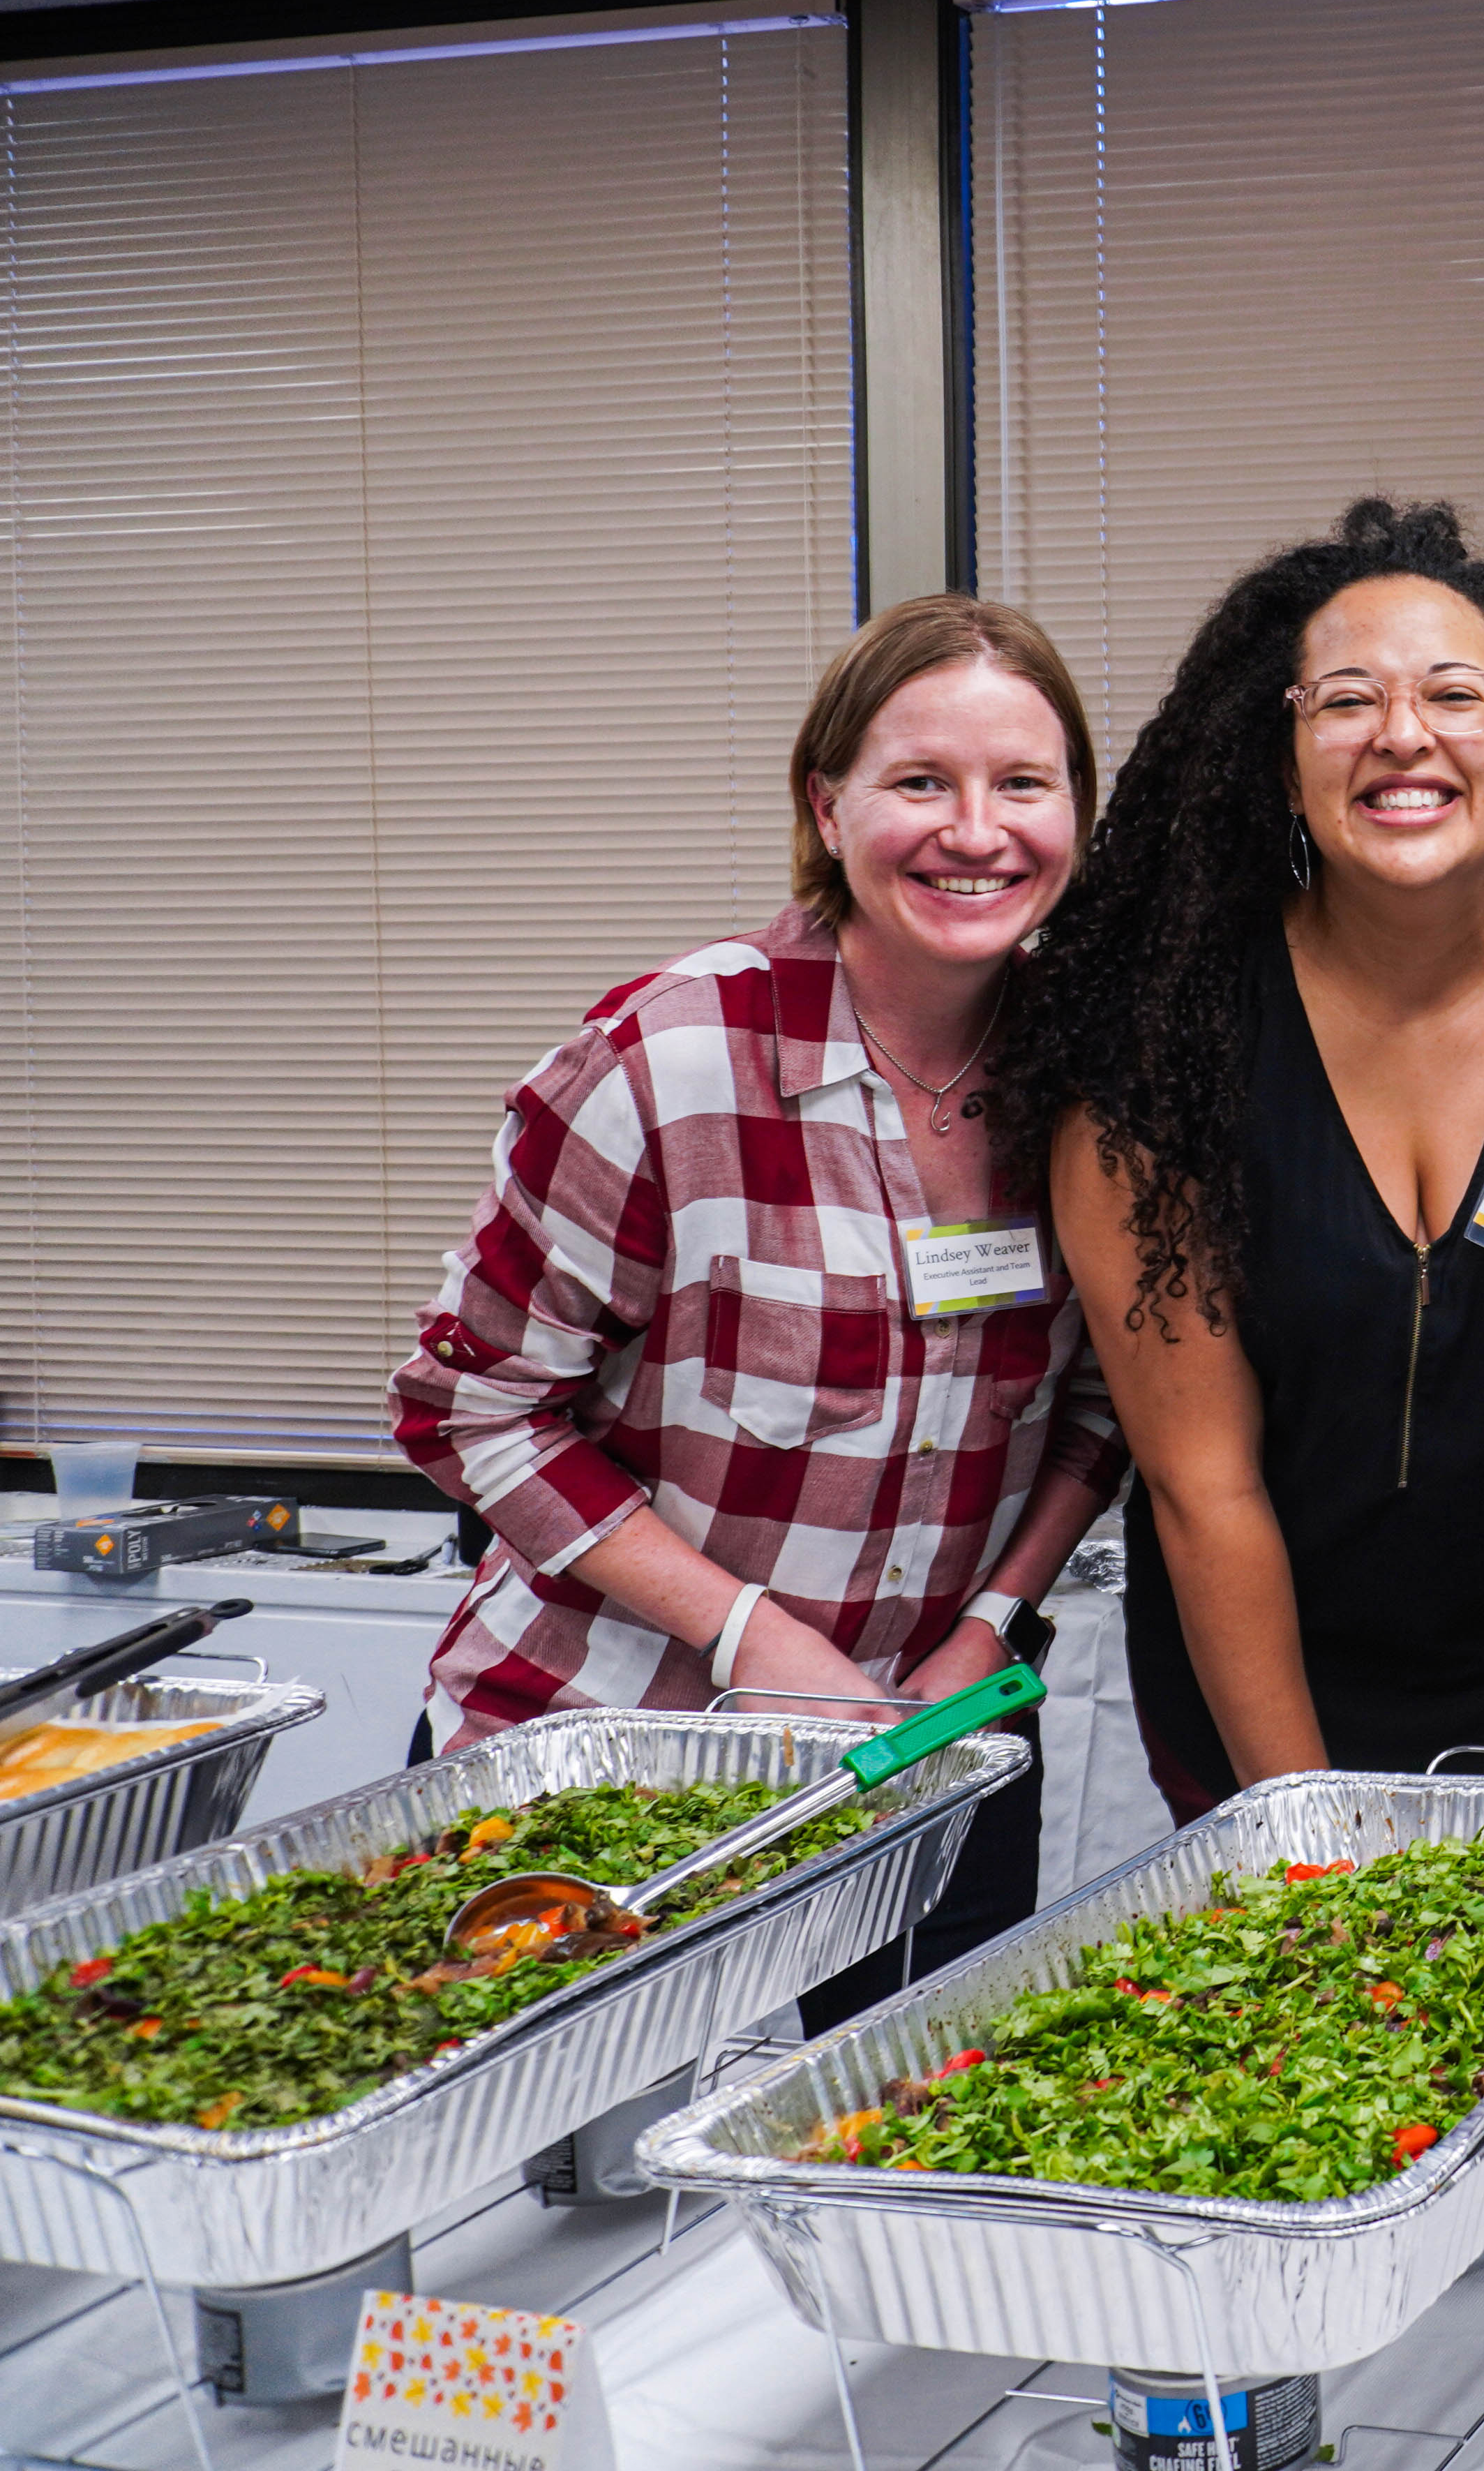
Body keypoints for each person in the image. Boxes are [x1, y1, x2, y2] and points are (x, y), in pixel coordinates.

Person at [392, 592, 1123, 2000]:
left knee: (899, 2182)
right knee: (560, 2201)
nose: (977, 831)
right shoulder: (665, 1061)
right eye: (921, 781)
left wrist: (991, 1622)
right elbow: (471, 1412)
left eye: (1024, 783)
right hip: (609, 1756)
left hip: (928, 1757)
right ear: (827, 800)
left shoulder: (1092, 1081)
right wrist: (747, 1635)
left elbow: (1103, 1402)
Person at [1008, 499, 1484, 1818]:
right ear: (1282, 759)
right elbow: (1206, 1486)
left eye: (1454, 695)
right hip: (1260, 1708)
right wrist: (1303, 1826)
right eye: (1348, 700)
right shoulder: (1163, 1043)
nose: (1404, 735)